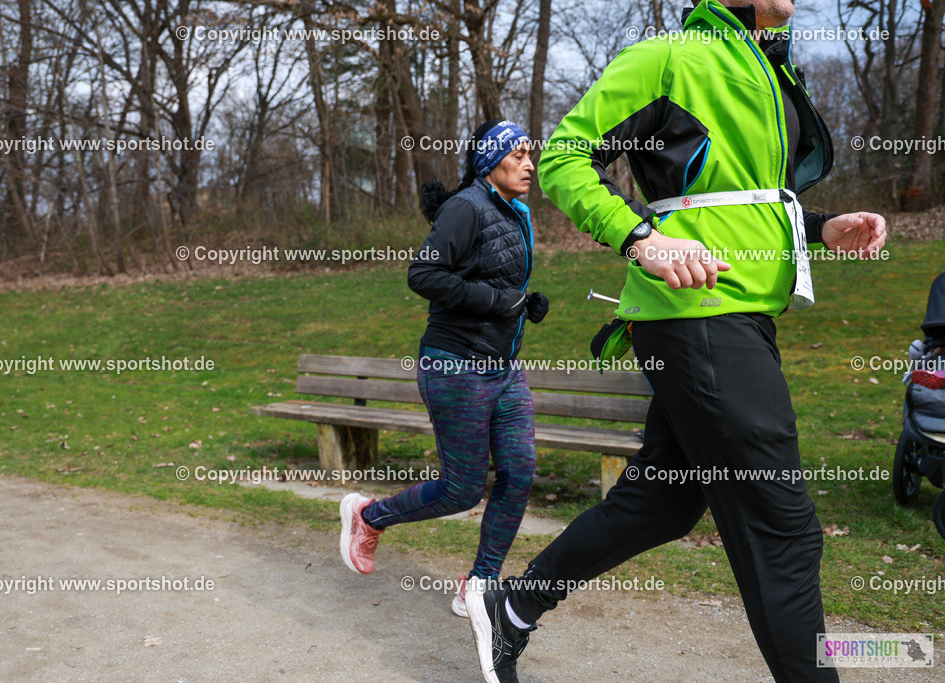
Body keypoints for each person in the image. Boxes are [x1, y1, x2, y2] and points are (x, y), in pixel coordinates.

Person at [465, 1, 887, 682]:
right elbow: (565, 160)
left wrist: (819, 226)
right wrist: (641, 239)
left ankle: (509, 605)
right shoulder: (668, 57)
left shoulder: (768, 68)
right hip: (697, 317)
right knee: (784, 526)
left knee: (662, 499)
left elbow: (736, 202)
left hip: (739, 314)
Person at [339, 120, 550, 617]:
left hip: (504, 369)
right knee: (462, 489)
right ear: (489, 162)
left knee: (519, 474)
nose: (530, 165)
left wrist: (524, 304)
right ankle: (369, 516)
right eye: (518, 155)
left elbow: (492, 280)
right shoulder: (466, 207)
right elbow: (424, 274)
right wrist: (502, 301)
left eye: (530, 155)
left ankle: (479, 583)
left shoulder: (515, 211)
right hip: (456, 367)